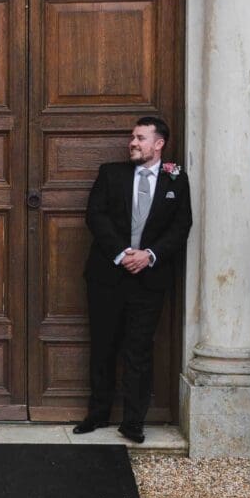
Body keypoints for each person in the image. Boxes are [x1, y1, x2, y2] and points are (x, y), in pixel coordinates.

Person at [74, 116, 192, 444]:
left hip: (149, 279)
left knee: (138, 350)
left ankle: (133, 422)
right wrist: (122, 253)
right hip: (107, 275)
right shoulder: (111, 174)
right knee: (103, 345)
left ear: (159, 144)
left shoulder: (176, 180)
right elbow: (95, 215)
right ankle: (97, 414)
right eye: (132, 138)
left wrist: (149, 255)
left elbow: (181, 227)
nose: (133, 143)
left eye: (140, 138)